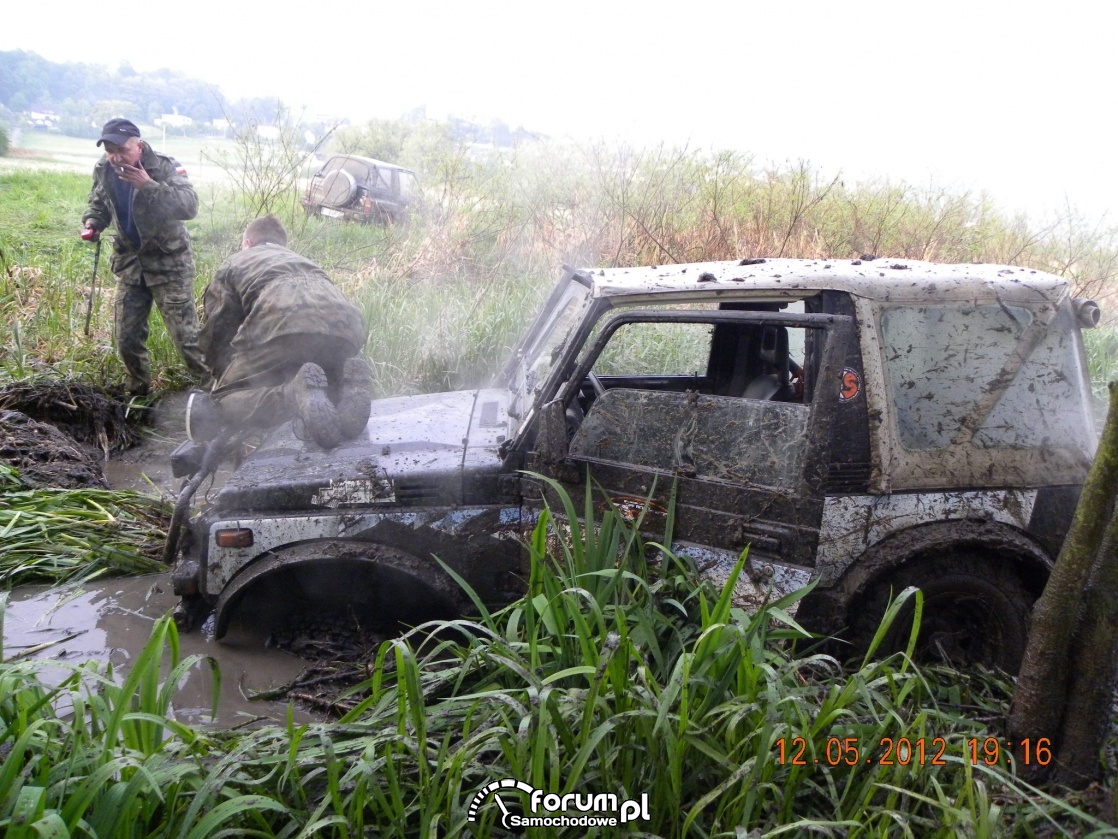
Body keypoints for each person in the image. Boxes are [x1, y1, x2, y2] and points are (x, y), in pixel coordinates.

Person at [188, 214, 372, 450]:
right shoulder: (303, 261)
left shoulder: (236, 262)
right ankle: (343, 386)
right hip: (347, 325)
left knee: (223, 401)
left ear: (247, 243)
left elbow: (218, 331)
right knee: (322, 382)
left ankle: (292, 396)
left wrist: (220, 376)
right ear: (282, 245)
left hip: (282, 320)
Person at [80, 118, 210, 396]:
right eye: (110, 150)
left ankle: (218, 394)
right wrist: (92, 223)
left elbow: (189, 207)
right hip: (131, 264)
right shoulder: (104, 168)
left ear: (138, 146)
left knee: (187, 340)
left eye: (122, 150)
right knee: (126, 338)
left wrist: (148, 185)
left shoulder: (164, 166)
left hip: (169, 265)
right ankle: (139, 398)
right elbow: (98, 202)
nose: (116, 157)